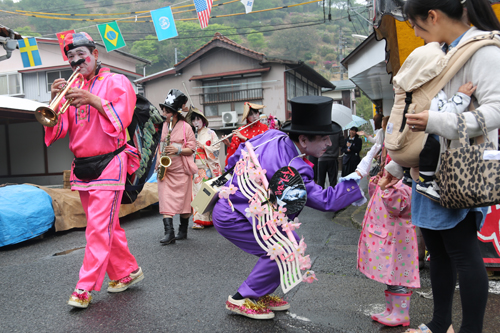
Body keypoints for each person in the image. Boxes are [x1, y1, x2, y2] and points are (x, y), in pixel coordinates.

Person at [212, 95, 366, 320]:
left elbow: (236, 155)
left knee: (287, 246)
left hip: (229, 205)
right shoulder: (295, 168)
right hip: (235, 217)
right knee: (283, 249)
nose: (329, 144)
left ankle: (259, 294)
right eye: (324, 138)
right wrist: (359, 180)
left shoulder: (272, 136)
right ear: (303, 140)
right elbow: (326, 200)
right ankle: (241, 297)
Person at [403, 0, 500, 332]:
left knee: (461, 249)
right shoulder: (444, 52)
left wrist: (438, 121)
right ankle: (440, 322)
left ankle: (469, 329)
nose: (415, 33)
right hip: (430, 167)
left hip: (460, 167)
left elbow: (496, 111)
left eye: (415, 25)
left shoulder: (483, 51)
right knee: (437, 249)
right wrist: (393, 169)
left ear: (433, 16)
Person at [43, 32, 144, 309]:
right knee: (106, 226)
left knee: (97, 228)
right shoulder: (72, 90)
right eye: (71, 58)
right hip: (83, 166)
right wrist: (56, 103)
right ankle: (127, 272)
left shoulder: (116, 81)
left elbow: (122, 117)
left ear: (95, 54)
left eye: (81, 55)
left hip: (111, 162)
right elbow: (60, 130)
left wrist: (92, 99)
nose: (77, 62)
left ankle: (84, 287)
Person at [358, 155, 420, 328]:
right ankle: (391, 309)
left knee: (397, 276)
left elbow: (396, 207)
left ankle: (400, 313)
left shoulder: (402, 187)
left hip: (398, 240)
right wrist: (376, 184)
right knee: (389, 274)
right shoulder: (392, 184)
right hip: (389, 237)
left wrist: (385, 187)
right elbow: (375, 197)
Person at [156, 89, 197, 245]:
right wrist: (160, 159)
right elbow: (158, 146)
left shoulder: (186, 127)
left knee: (184, 202)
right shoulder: (162, 126)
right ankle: (169, 233)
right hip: (166, 170)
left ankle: (183, 230)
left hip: (181, 170)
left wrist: (178, 149)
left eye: (166, 111)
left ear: (174, 113)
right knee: (165, 199)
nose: (164, 114)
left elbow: (192, 148)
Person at [187, 106, 222, 229]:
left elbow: (216, 150)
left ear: (203, 120)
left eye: (198, 119)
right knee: (196, 193)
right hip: (196, 167)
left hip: (207, 167)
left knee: (207, 193)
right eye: (193, 120)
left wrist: (203, 147)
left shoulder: (211, 133)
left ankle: (210, 218)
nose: (196, 122)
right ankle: (198, 220)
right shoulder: (191, 134)